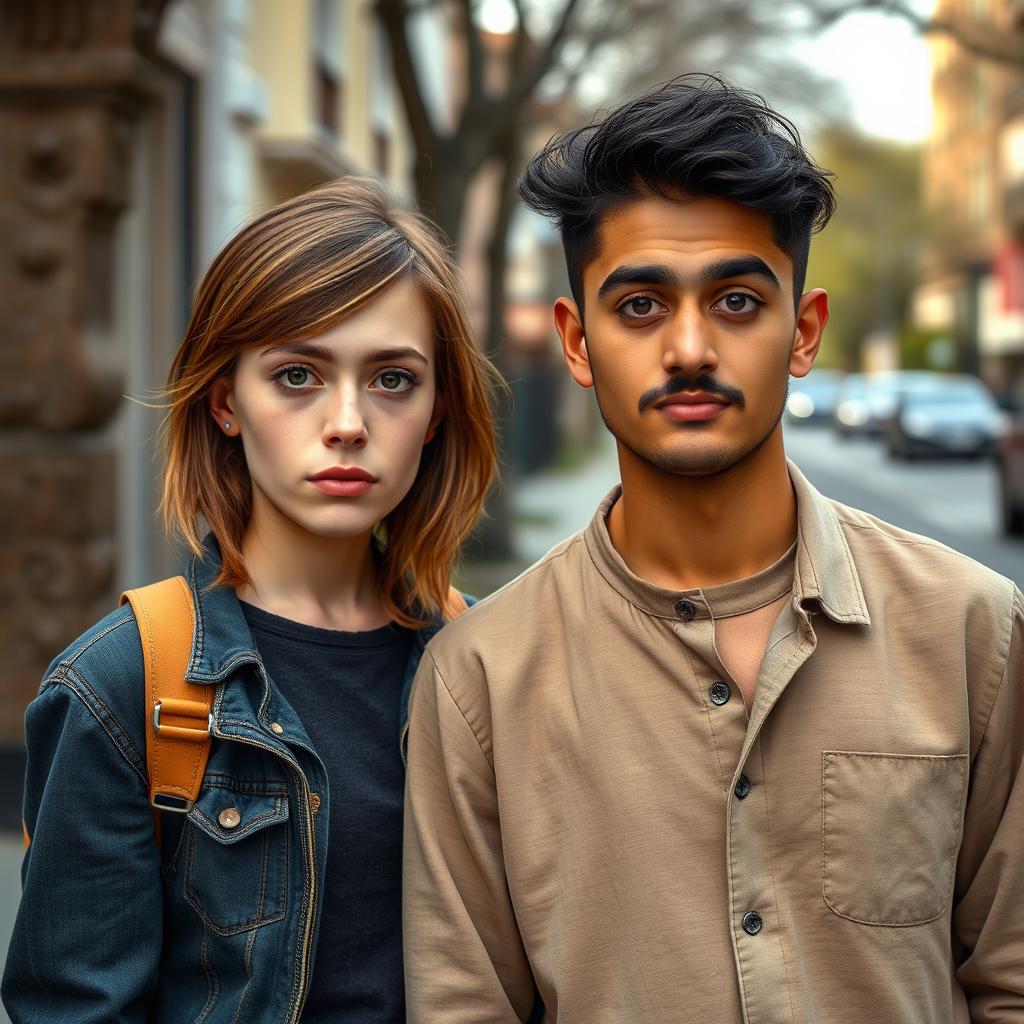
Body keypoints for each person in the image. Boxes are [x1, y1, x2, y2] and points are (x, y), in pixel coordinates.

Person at [402, 75, 1023, 1023]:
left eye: (736, 301)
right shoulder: (479, 681)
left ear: (803, 331)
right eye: (640, 306)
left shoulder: (976, 632)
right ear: (575, 341)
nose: (689, 348)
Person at [2, 177, 498, 1023]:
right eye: (298, 374)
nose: (347, 421)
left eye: (392, 379)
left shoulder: (483, 659)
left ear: (438, 410)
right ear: (227, 401)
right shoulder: (122, 685)